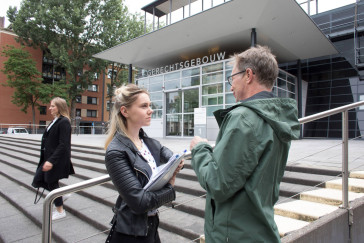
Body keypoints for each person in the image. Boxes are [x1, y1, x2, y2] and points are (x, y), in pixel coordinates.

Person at [190, 45, 300, 242]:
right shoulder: (277, 118)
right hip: (259, 229)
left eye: (232, 78)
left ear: (248, 75)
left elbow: (217, 183)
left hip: (234, 235)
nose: (230, 86)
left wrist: (200, 148)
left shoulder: (244, 118)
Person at [104, 84, 183, 243]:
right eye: (144, 106)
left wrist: (176, 162)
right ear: (125, 111)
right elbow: (139, 202)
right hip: (131, 234)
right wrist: (169, 188)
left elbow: (172, 157)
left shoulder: (148, 142)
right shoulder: (116, 151)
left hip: (151, 226)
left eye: (150, 105)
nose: (150, 110)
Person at [36, 97, 75, 220]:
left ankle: (60, 210)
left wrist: (51, 161)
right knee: (42, 180)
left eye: (53, 106)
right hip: (49, 157)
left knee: (50, 182)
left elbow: (63, 144)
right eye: (50, 106)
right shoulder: (56, 121)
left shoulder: (64, 122)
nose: (50, 108)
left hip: (56, 159)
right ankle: (61, 195)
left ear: (60, 107)